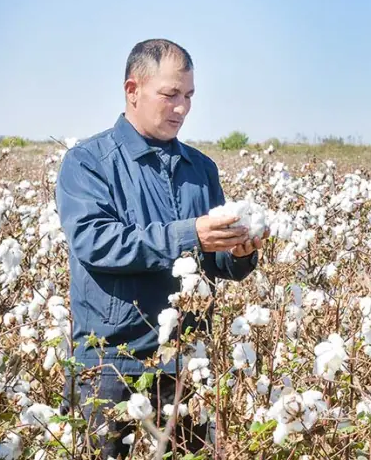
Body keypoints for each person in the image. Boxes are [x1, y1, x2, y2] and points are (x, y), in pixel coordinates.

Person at [55, 38, 266, 458]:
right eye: (170, 95)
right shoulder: (88, 162)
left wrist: (240, 254)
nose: (182, 108)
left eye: (188, 96)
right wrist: (192, 234)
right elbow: (96, 242)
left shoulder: (200, 168)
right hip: (112, 364)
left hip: (185, 364)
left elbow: (212, 261)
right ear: (133, 90)